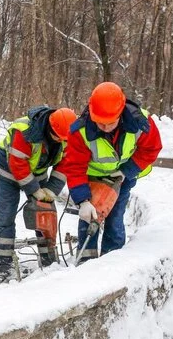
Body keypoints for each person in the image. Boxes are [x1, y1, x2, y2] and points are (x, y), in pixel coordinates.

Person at [58, 81, 162, 263]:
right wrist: (82, 200)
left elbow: (151, 149)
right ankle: (86, 262)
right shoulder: (79, 131)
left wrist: (126, 171)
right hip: (91, 178)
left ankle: (112, 260)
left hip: (123, 177)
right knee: (90, 218)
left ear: (120, 114)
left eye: (109, 123)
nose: (104, 128)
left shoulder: (140, 123)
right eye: (100, 123)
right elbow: (74, 167)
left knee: (115, 216)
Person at [0, 106, 77, 275]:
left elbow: (65, 165)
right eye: (57, 138)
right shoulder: (24, 132)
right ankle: (5, 264)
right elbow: (18, 165)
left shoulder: (67, 136)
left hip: (37, 172)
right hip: (8, 172)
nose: (61, 142)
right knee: (6, 215)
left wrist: (51, 191)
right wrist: (34, 190)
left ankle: (48, 260)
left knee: (45, 212)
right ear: (50, 128)